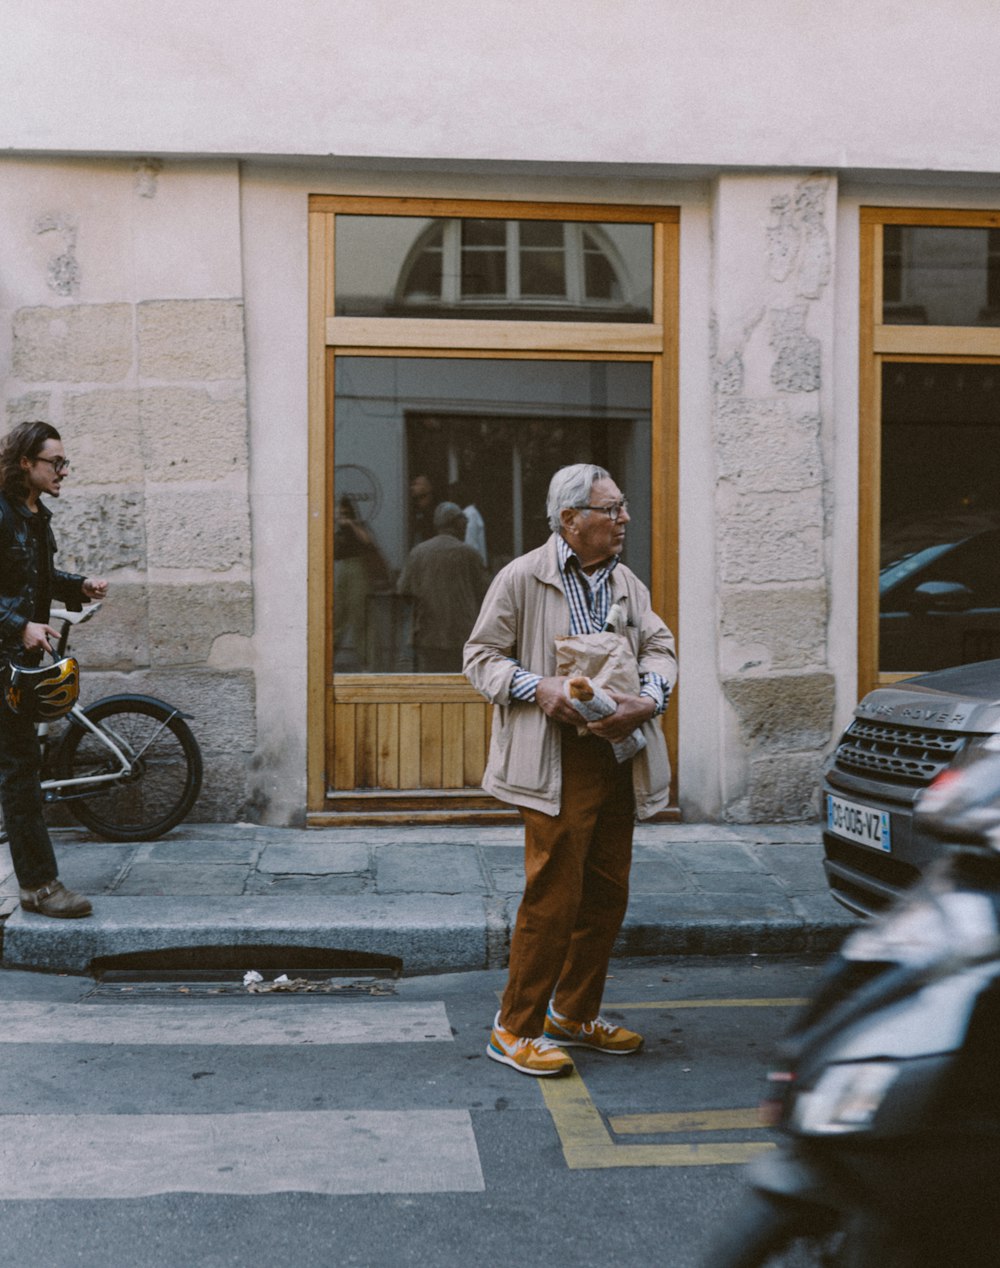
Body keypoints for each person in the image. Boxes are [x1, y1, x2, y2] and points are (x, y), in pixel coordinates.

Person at [464, 463, 677, 1076]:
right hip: (553, 758)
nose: (624, 519)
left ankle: (574, 1015)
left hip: (618, 752)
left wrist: (650, 697)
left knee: (607, 892)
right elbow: (479, 657)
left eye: (622, 507)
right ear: (570, 520)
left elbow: (660, 646)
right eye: (611, 510)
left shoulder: (625, 581)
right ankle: (514, 1027)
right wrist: (539, 688)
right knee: (554, 895)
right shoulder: (522, 578)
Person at [0, 421, 108, 918]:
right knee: (21, 772)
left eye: (64, 462)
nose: (64, 470)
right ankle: (38, 887)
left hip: (19, 663)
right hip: (5, 659)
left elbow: (37, 578)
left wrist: (77, 586)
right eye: (55, 462)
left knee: (19, 769)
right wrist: (19, 625)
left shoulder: (34, 516)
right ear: (26, 463)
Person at [398, 502, 488, 672]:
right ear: (458, 524)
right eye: (464, 523)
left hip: (427, 635)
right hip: (462, 636)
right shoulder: (469, 555)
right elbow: (486, 594)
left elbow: (403, 590)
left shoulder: (418, 552)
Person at [408, 473, 438, 546]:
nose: (411, 488)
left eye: (416, 484)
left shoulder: (435, 512)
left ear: (428, 487)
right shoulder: (411, 510)